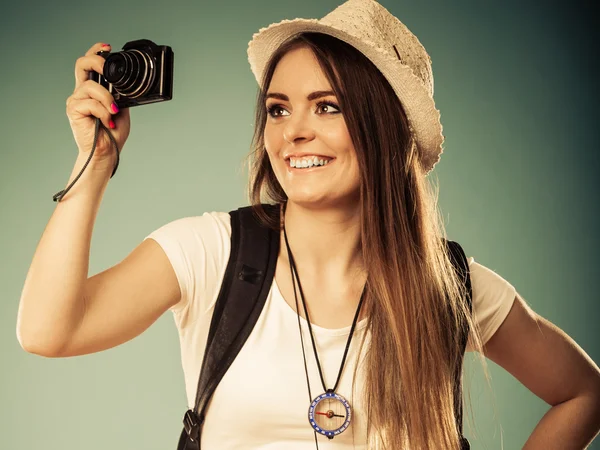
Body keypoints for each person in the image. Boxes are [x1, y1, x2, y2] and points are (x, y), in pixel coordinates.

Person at [16, 0, 600, 449]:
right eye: (278, 107)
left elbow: (584, 392)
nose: (294, 130)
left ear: (383, 128)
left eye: (328, 106)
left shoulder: (446, 285)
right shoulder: (211, 252)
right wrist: (95, 163)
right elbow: (48, 331)